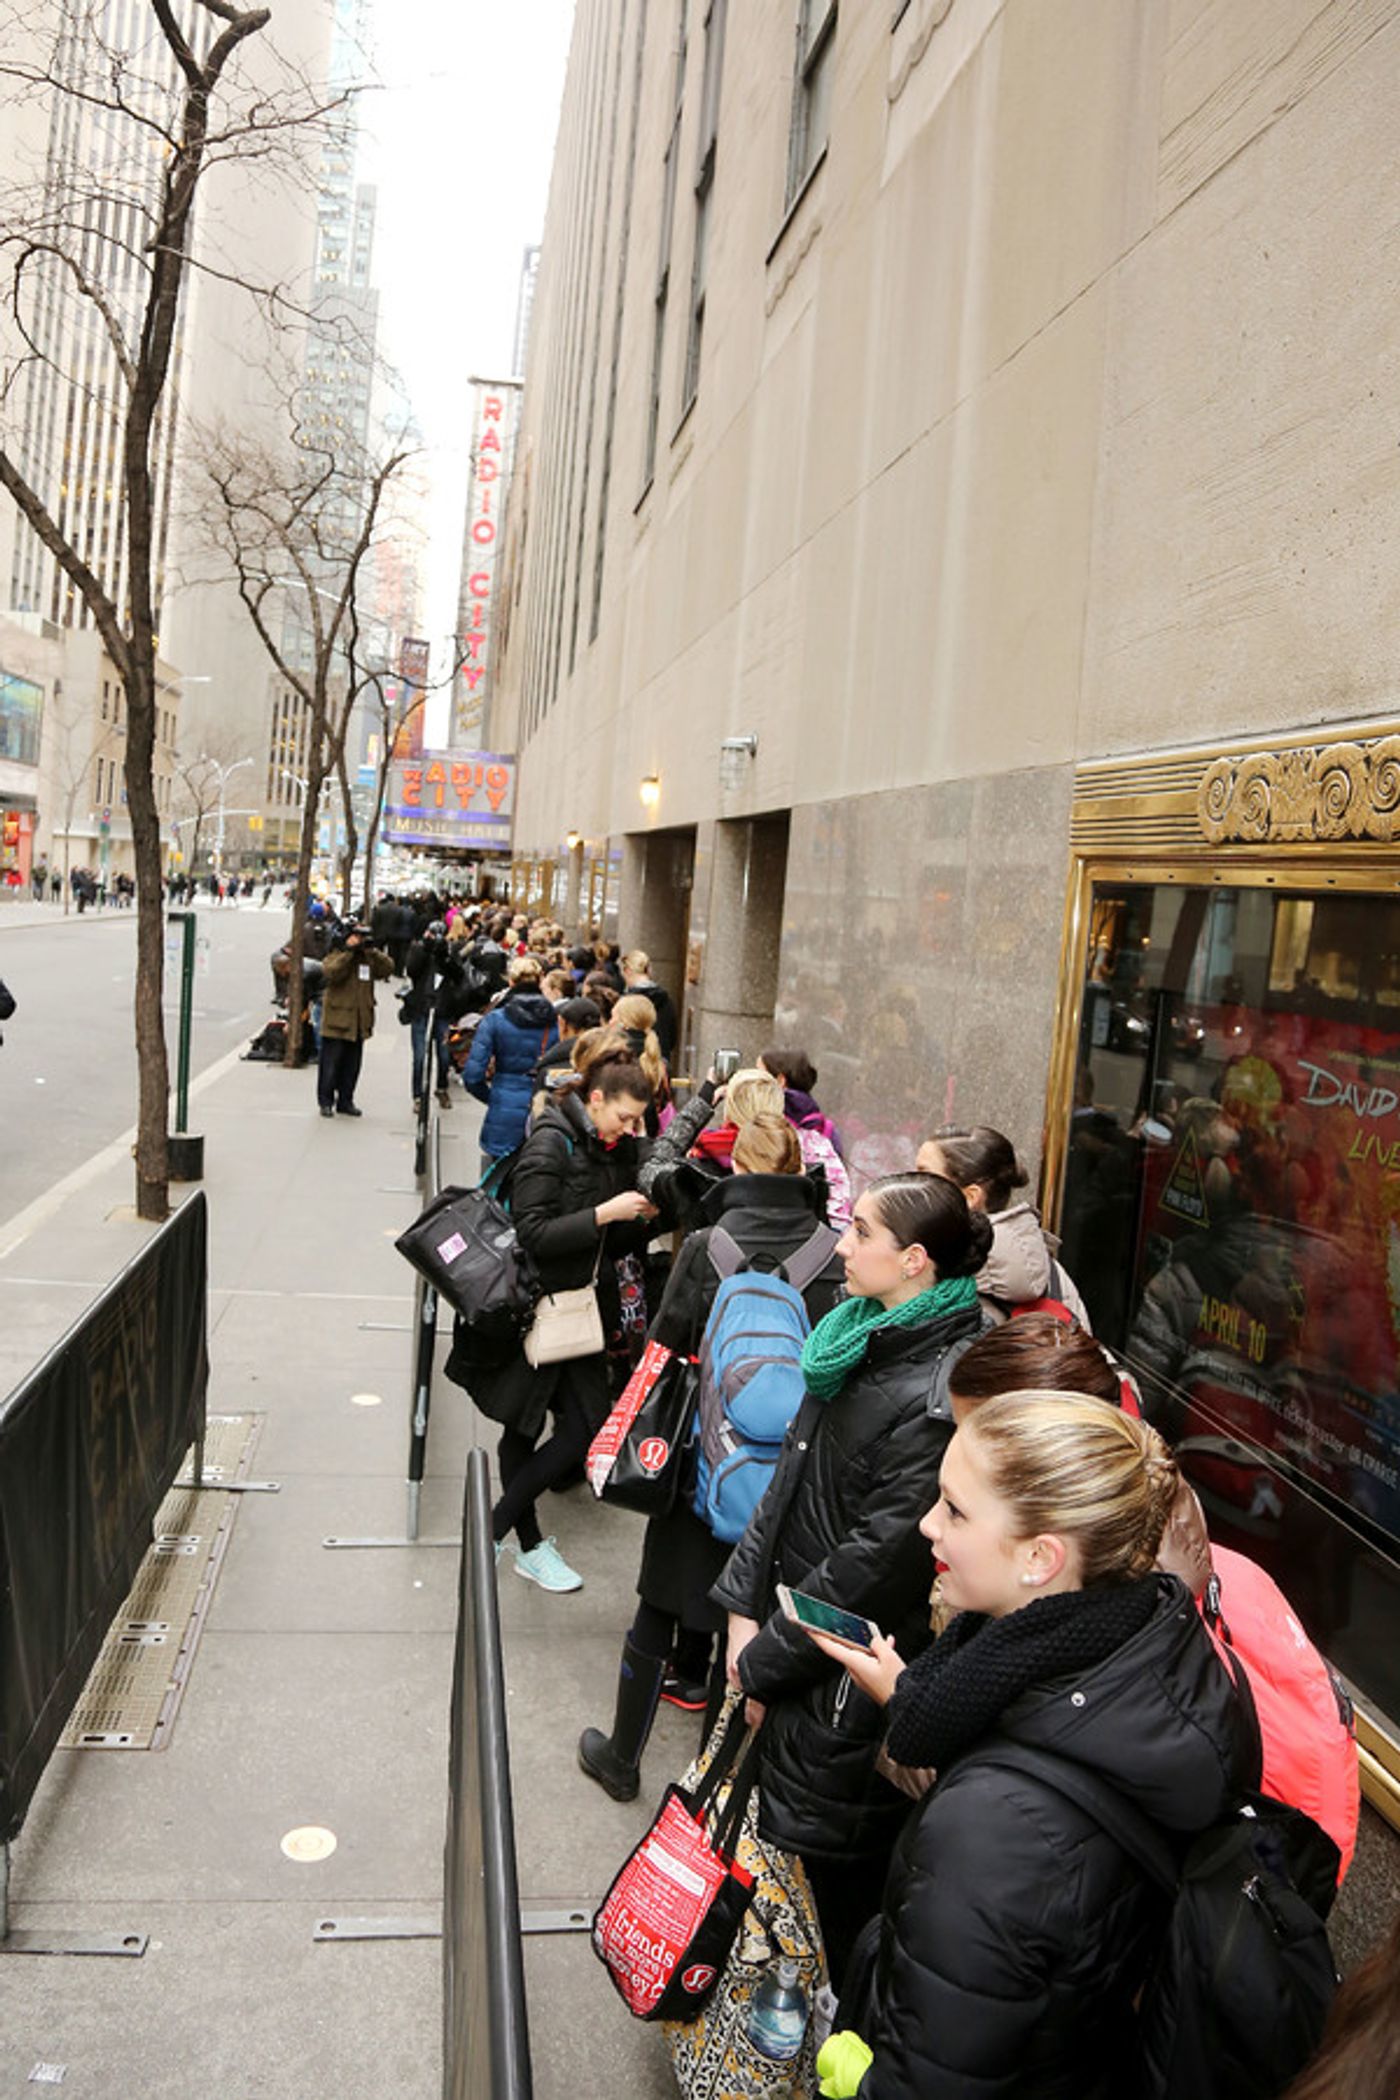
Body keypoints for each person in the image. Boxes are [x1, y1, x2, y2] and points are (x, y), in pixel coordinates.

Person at [808, 1392, 1254, 2099]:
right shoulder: (1154, 1652)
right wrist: (908, 1695)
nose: (927, 1525)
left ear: (1041, 1558)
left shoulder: (994, 1831)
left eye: (954, 1510)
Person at [714, 1170, 991, 1988]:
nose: (841, 1243)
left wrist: (764, 1657)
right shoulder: (853, 1333)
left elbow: (875, 1563)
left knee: (825, 1914)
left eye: (861, 1232)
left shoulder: (936, 1390)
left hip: (833, 1682)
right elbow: (787, 1481)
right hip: (784, 1641)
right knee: (765, 1886)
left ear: (913, 1262)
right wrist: (740, 1605)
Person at [578, 1112, 846, 1800]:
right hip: (788, 1472)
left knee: (656, 1611)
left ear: (739, 1168)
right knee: (748, 1625)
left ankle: (620, 1758)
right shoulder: (834, 1253)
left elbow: (663, 1349)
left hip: (703, 1460)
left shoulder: (707, 1244)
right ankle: (710, 1787)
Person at [447, 1045, 658, 1594]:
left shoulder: (604, 1145)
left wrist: (642, 1220)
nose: (631, 1129)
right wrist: (602, 1214)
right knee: (524, 1428)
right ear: (595, 1099)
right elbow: (533, 1233)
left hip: (578, 1313)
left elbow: (607, 1244)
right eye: (624, 1117)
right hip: (534, 1310)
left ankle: (503, 1534)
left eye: (637, 1120)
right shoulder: (550, 1144)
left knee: (581, 1430)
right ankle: (522, 1541)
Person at [916, 1122, 1091, 1326]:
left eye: (924, 1175)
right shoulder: (1044, 1264)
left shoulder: (945, 1271)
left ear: (970, 1196)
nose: (911, 1184)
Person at [463, 954, 560, 1171]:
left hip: (503, 1111)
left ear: (511, 982)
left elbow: (472, 1075)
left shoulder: (495, 1019)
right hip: (542, 1111)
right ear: (539, 981)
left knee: (495, 1183)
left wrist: (492, 1097)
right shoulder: (556, 1020)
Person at [316, 920, 392, 1118]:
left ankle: (346, 1100)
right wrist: (349, 952)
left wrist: (372, 951)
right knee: (330, 1066)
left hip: (359, 1022)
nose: (360, 940)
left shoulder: (367, 958)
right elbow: (331, 973)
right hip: (337, 1021)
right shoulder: (336, 954)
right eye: (357, 936)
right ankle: (325, 1102)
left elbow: (388, 969)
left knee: (352, 1067)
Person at [401, 920, 458, 1109]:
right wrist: (424, 949)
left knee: (444, 1055)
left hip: (442, 1010)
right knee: (419, 1056)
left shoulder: (450, 951)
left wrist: (445, 956)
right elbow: (411, 970)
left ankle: (441, 1088)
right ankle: (417, 1095)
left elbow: (459, 976)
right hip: (421, 1009)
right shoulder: (419, 950)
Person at [620, 949, 678, 1060]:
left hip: (633, 1060)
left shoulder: (627, 1002)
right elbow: (672, 1036)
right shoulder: (665, 999)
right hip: (660, 1061)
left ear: (628, 971)